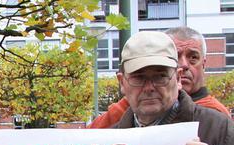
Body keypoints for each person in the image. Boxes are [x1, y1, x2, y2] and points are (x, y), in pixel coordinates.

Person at [91, 27, 231, 128]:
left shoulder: (218, 122)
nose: (184, 64)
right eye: (139, 78)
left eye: (193, 57)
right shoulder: (126, 110)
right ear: (122, 82)